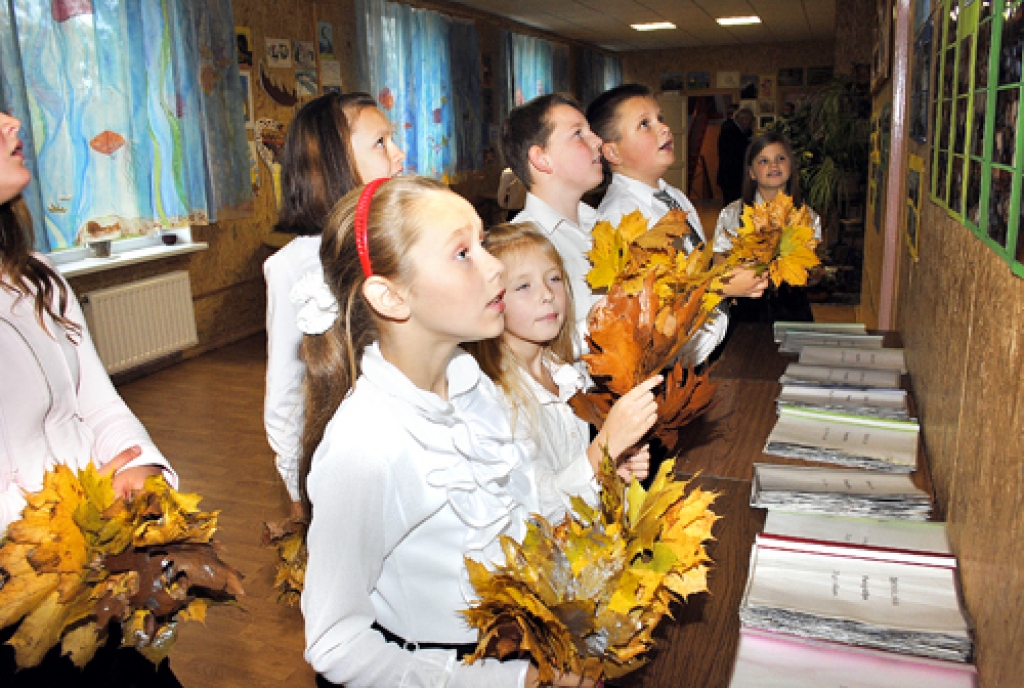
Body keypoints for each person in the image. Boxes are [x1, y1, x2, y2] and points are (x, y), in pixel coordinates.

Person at [297, 176, 593, 688]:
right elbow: (336, 644)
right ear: (391, 296)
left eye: (482, 242)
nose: (494, 266)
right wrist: (510, 683)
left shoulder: (477, 388)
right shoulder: (366, 446)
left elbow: (517, 518)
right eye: (462, 253)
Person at [0, 112, 180, 685]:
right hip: (19, 596)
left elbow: (97, 403)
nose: (11, 122)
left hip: (105, 561)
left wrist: (139, 470)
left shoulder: (36, 277)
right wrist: (68, 517)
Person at [263, 92, 404, 515]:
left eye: (392, 139)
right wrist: (296, 490)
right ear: (332, 163)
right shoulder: (294, 266)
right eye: (380, 143)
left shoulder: (398, 243)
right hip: (352, 459)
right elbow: (286, 392)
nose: (398, 154)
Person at [466, 223, 658, 519]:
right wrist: (604, 448)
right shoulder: (497, 399)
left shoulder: (563, 374)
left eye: (554, 279)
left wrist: (613, 469)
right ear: (491, 301)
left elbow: (572, 477)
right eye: (523, 286)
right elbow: (537, 511)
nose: (547, 294)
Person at [585, 83, 767, 366]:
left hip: (708, 345)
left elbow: (692, 268)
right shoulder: (619, 219)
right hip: (670, 366)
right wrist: (720, 286)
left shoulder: (672, 195)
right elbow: (643, 312)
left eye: (660, 118)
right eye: (644, 124)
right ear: (613, 153)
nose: (664, 128)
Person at [503, 93, 605, 360]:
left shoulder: (600, 222)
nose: (597, 141)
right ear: (542, 159)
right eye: (578, 134)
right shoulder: (523, 245)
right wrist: (601, 324)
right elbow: (528, 357)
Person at [713, 131, 822, 323]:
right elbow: (719, 264)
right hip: (746, 308)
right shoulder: (732, 214)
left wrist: (813, 273)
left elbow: (813, 264)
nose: (773, 165)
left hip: (792, 307)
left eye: (781, 158)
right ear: (752, 172)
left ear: (791, 167)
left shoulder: (807, 216)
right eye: (764, 161)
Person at [717, 106, 754, 205]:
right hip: (732, 175)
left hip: (734, 174)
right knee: (732, 202)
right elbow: (737, 151)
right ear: (743, 119)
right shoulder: (729, 130)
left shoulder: (739, 131)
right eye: (749, 120)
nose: (750, 124)